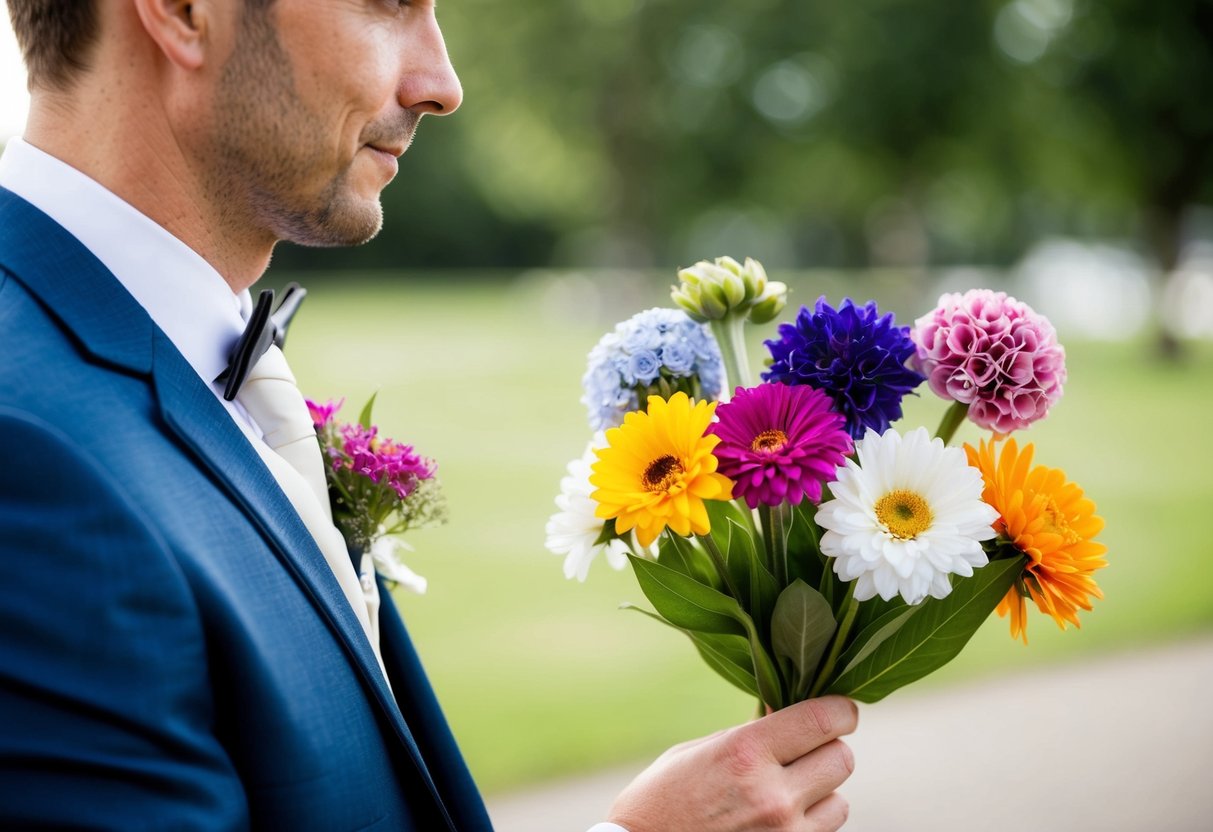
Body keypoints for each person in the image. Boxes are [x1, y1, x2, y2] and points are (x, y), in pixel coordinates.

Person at [0, 1, 857, 829]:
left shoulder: (164, 353)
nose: (441, 84)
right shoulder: (27, 458)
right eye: (387, 4)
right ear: (184, 11)